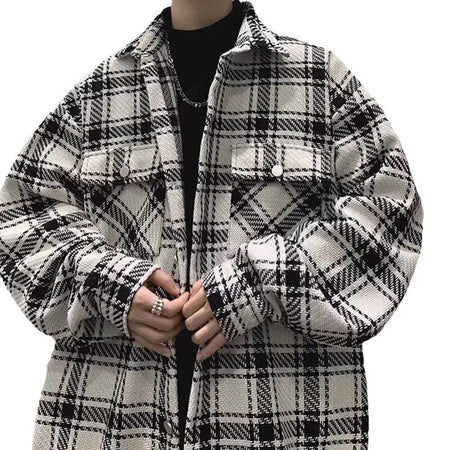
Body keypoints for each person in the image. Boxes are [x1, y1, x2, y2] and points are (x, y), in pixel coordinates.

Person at [0, 1, 423, 449]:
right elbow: (21, 214)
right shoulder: (99, 94)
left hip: (280, 421)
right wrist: (107, 281)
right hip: (108, 420)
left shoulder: (318, 80)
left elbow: (392, 214)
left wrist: (260, 280)